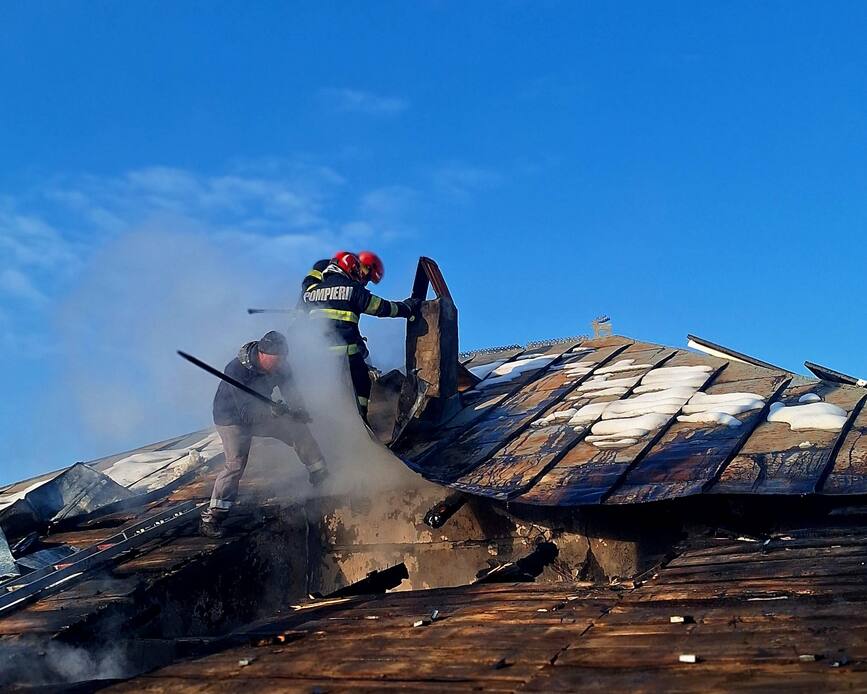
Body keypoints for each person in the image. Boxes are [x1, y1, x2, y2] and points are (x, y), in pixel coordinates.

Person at [200, 330, 328, 538]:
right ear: (262, 354)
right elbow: (245, 413)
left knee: (297, 430)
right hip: (232, 420)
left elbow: (292, 392)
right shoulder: (236, 370)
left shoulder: (281, 366)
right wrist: (271, 412)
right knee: (236, 463)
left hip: (262, 414)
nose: (281, 364)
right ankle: (213, 518)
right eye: (277, 360)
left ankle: (320, 475)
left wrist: (299, 411)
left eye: (283, 359)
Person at [301, 253, 419, 422]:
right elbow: (382, 308)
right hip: (344, 356)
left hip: (317, 358)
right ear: (349, 268)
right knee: (362, 381)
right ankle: (360, 419)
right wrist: (407, 308)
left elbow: (306, 294)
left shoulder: (311, 292)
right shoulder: (353, 290)